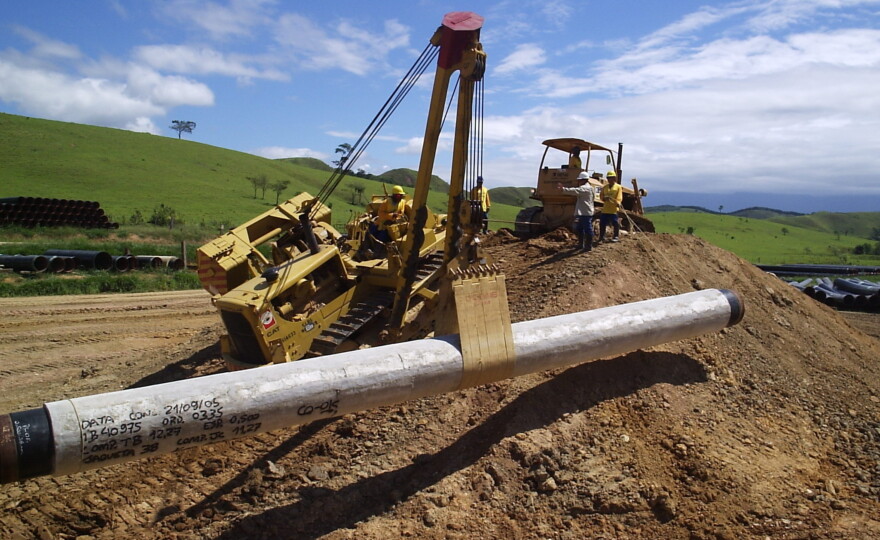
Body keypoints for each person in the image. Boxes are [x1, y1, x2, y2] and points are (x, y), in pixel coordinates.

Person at [557, 172, 595, 251]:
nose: (578, 182)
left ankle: (588, 246)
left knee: (587, 229)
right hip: (583, 212)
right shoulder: (589, 188)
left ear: (583, 180)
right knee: (579, 228)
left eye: (579, 180)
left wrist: (563, 189)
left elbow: (575, 191)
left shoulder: (585, 188)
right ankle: (581, 244)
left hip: (585, 212)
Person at [598, 170, 623, 243]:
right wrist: (604, 198)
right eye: (608, 178)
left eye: (610, 178)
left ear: (614, 178)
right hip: (605, 208)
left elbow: (619, 197)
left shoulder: (618, 187)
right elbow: (601, 196)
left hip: (613, 209)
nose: (609, 179)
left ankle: (616, 236)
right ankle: (601, 237)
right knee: (602, 223)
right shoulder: (605, 187)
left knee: (615, 223)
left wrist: (618, 202)